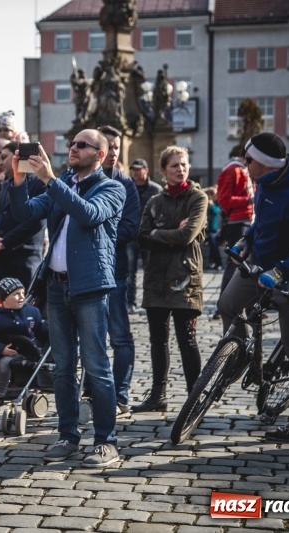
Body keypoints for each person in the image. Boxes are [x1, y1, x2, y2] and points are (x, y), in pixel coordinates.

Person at [8, 129, 125, 467]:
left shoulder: (112, 188)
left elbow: (89, 214)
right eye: (71, 143)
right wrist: (17, 182)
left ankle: (106, 441)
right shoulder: (63, 183)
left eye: (82, 145)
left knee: (96, 366)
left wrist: (49, 180)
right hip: (56, 288)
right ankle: (68, 435)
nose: (73, 148)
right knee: (62, 368)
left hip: (89, 288)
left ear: (99, 155)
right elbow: (26, 214)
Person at [218, 133, 289, 442]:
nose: (244, 162)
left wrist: (282, 271)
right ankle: (239, 355)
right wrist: (247, 240)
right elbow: (264, 220)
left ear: (266, 165)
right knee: (226, 306)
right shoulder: (266, 180)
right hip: (259, 263)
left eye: (249, 158)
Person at [134, 146, 207, 412]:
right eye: (174, 165)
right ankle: (158, 396)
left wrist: (157, 234)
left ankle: (193, 397)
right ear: (163, 170)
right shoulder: (154, 202)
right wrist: (165, 233)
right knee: (158, 340)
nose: (181, 169)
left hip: (184, 278)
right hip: (156, 277)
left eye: (184, 164)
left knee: (187, 340)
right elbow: (141, 236)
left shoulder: (198, 198)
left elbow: (186, 236)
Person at [95, 126, 141, 419]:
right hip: (85, 273)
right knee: (91, 338)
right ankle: (94, 392)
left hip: (116, 272)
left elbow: (129, 228)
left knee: (120, 337)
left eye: (116, 147)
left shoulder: (126, 185)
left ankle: (120, 396)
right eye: (108, 146)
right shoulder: (78, 181)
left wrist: (94, 230)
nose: (113, 153)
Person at [0, 277, 47, 411]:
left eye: (22, 293)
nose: (21, 297)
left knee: (5, 363)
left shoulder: (32, 312)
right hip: (1, 350)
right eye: (16, 294)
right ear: (3, 298)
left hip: (24, 352)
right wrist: (1, 349)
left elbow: (40, 331)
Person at [0, 141, 47, 294]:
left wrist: (5, 242)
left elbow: (36, 221)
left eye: (4, 157)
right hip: (0, 263)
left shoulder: (39, 184)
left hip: (24, 263)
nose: (0, 162)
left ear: (17, 157)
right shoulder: (3, 186)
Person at [216, 148, 254, 297]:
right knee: (235, 262)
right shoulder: (233, 169)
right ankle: (223, 304)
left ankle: (250, 307)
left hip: (247, 220)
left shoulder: (243, 169)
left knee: (248, 264)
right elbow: (224, 200)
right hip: (238, 222)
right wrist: (249, 200)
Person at [127, 158, 162, 312]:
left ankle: (151, 301)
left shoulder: (156, 189)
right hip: (131, 235)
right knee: (129, 271)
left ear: (146, 170)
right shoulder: (127, 187)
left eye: (138, 169)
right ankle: (130, 302)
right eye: (133, 169)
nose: (135, 172)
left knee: (152, 271)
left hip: (149, 236)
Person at [204, 186, 223, 270]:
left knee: (213, 244)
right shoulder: (206, 203)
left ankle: (218, 262)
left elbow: (218, 212)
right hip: (208, 229)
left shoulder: (216, 203)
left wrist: (212, 206)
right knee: (212, 244)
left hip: (215, 229)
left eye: (210, 195)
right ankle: (212, 262)